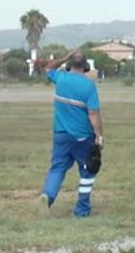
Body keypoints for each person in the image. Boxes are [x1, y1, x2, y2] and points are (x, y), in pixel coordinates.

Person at [38, 50, 104, 217]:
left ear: (69, 65)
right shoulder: (88, 85)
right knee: (88, 170)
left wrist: (65, 57)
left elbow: (48, 68)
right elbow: (93, 113)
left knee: (58, 167)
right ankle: (82, 209)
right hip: (83, 136)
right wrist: (99, 135)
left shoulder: (61, 78)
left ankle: (48, 195)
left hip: (61, 134)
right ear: (86, 67)